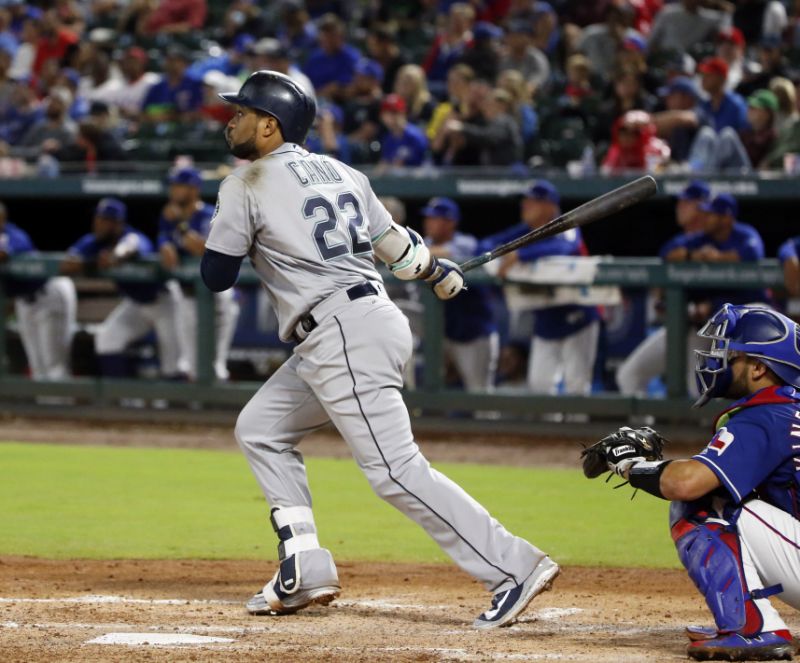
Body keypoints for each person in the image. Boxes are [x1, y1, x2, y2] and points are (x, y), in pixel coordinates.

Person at [202, 69, 559, 629]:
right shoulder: (345, 174)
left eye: (243, 113)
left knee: (394, 470)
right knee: (261, 428)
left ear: (270, 127)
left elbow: (216, 276)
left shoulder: (243, 183)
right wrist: (436, 270)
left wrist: (224, 224)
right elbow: (401, 251)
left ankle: (512, 566)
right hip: (361, 323)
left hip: (340, 331)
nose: (233, 120)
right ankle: (305, 563)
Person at [586, 303, 800, 661]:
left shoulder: (768, 415)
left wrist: (629, 465)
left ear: (760, 368)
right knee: (717, 489)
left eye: (732, 355)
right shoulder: (787, 409)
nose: (718, 360)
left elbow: (685, 483)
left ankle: (753, 628)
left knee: (702, 502)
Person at [478, 180, 600, 397]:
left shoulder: (567, 225)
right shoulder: (526, 230)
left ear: (550, 206)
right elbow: (486, 244)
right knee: (539, 386)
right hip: (546, 318)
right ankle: (551, 432)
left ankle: (576, 430)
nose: (525, 205)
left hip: (578, 315)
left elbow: (563, 247)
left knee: (577, 387)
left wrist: (519, 254)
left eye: (532, 202)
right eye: (525, 201)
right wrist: (500, 254)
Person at [61, 197, 185, 379]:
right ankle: (122, 401)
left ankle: (179, 406)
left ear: (118, 224)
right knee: (107, 339)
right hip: (136, 304)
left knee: (173, 364)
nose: (98, 224)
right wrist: (93, 262)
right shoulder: (94, 242)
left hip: (164, 302)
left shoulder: (132, 236)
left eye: (105, 220)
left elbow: (129, 247)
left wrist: (115, 258)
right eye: (98, 218)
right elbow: (66, 264)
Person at [616, 180, 711, 397]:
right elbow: (660, 288)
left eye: (687, 203)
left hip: (711, 331)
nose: (680, 208)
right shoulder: (676, 243)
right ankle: (641, 430)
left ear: (704, 206)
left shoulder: (720, 241)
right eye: (680, 203)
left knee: (698, 391)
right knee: (628, 375)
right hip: (680, 327)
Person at [157, 167, 239, 381]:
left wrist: (180, 226)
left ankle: (217, 405)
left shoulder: (210, 214)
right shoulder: (168, 217)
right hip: (187, 295)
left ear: (194, 190)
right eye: (172, 186)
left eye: (179, 186)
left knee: (216, 365)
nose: (173, 191)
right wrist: (164, 245)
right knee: (191, 365)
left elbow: (203, 249)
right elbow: (164, 243)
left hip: (217, 295)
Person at [422, 197, 498, 392]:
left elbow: (443, 254)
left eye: (435, 218)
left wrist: (405, 254)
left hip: (473, 332)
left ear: (451, 222)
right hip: (443, 331)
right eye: (428, 217)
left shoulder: (466, 243)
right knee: (431, 388)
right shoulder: (425, 243)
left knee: (479, 391)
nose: (428, 222)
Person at [0, 201, 76, 380]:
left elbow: (3, 254)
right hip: (25, 301)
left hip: (49, 293)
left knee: (54, 365)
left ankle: (61, 407)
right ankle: (45, 407)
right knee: (37, 367)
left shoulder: (12, 235)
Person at [378, 93, 428, 167]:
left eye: (395, 112)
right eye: (388, 113)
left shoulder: (415, 135)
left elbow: (424, 162)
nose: (391, 117)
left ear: (403, 113)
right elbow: (384, 163)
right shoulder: (388, 138)